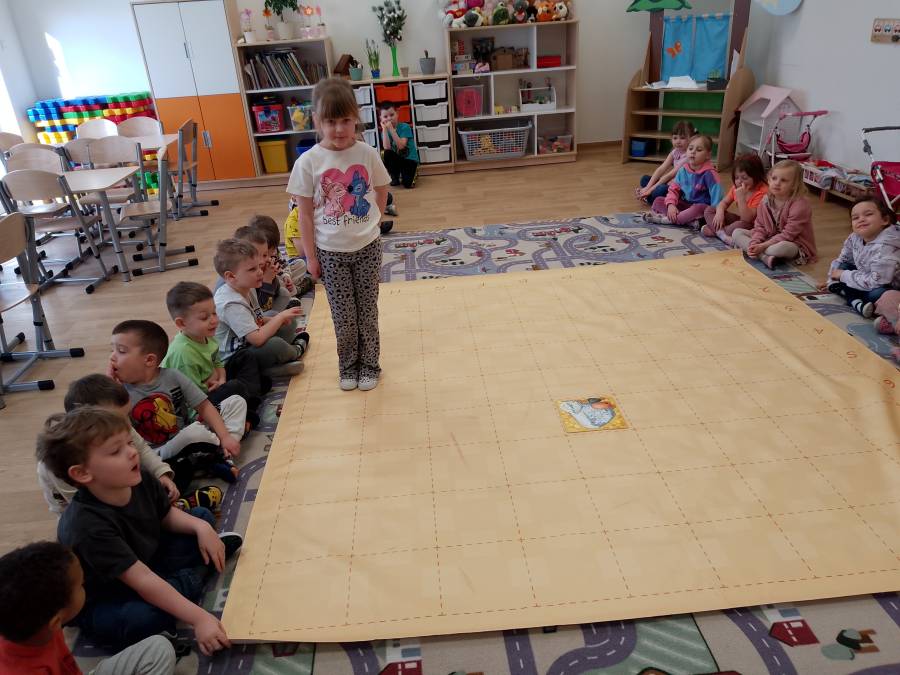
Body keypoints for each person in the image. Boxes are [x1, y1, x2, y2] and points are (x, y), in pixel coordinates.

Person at [37, 408, 241, 653]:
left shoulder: (138, 476)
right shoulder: (86, 526)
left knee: (201, 517)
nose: (132, 452)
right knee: (143, 619)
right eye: (116, 451)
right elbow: (142, 580)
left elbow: (165, 516)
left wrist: (201, 528)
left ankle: (185, 580)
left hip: (146, 558)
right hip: (111, 593)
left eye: (129, 443)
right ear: (82, 473)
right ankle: (190, 578)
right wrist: (200, 618)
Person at [288, 77, 390, 391]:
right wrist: (310, 257)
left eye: (345, 120)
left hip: (367, 248)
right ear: (317, 121)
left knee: (367, 311)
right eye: (330, 122)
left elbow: (382, 188)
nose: (339, 129)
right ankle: (348, 366)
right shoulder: (308, 163)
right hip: (330, 253)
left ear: (355, 118)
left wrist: (375, 221)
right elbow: (305, 215)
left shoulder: (367, 153)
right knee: (344, 315)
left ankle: (370, 365)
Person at [0, 541, 176, 674]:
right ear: (55, 622)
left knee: (159, 648)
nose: (85, 584)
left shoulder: (35, 622)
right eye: (81, 585)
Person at [109, 319, 244, 485]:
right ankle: (211, 457)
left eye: (121, 351)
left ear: (149, 360)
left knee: (236, 402)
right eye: (112, 350)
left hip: (185, 434)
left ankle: (224, 448)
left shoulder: (172, 376)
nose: (112, 357)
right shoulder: (119, 392)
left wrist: (225, 436)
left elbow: (204, 406)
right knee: (194, 436)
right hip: (156, 453)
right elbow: (114, 429)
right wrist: (111, 390)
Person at [37, 374, 181, 514]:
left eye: (127, 415)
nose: (128, 424)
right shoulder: (59, 458)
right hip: (72, 507)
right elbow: (77, 503)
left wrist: (160, 473)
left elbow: (142, 449)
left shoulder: (117, 425)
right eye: (120, 417)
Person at [161, 282, 267, 428]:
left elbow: (218, 363)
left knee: (245, 356)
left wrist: (221, 379)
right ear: (182, 323)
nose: (214, 320)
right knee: (237, 386)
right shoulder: (183, 354)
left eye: (214, 313)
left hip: (212, 384)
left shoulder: (206, 334)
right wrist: (218, 383)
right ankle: (245, 408)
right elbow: (192, 398)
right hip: (197, 408)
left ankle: (247, 401)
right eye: (204, 318)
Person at [213, 238, 308, 379]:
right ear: (231, 276)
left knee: (286, 321)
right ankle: (295, 351)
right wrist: (279, 318)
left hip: (249, 347)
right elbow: (257, 339)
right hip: (236, 362)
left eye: (258, 266)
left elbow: (257, 319)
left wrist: (278, 319)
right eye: (252, 269)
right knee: (275, 343)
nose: (260, 272)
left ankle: (270, 367)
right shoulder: (230, 304)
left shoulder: (247, 287)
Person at [817, 198, 900, 318]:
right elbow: (843, 260)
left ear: (885, 220)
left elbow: (876, 283)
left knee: (876, 294)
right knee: (843, 266)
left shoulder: (886, 246)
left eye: (868, 214)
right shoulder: (854, 237)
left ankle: (852, 298)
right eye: (855, 218)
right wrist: (831, 279)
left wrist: (844, 276)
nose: (861, 219)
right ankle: (855, 299)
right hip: (866, 276)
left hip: (887, 285)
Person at [732, 159, 818, 269]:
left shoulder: (800, 204)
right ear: (769, 180)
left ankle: (761, 253)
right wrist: (755, 243)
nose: (777, 183)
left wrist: (763, 245)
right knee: (737, 233)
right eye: (774, 178)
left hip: (793, 242)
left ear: (794, 185)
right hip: (769, 238)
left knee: (778, 248)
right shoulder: (765, 200)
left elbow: (788, 235)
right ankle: (764, 257)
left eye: (784, 180)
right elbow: (760, 227)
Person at [644, 134, 723, 227]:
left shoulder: (710, 174)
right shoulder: (682, 170)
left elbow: (717, 198)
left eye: (699, 150)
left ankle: (668, 220)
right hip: (685, 205)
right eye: (690, 149)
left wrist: (715, 213)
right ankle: (688, 221)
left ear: (708, 155)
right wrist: (671, 205)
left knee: (698, 208)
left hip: (701, 209)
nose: (693, 152)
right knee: (658, 201)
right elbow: (673, 190)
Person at [701, 153, 768, 244]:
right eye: (736, 178)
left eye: (744, 178)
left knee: (738, 226)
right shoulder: (736, 187)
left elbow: (747, 219)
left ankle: (717, 231)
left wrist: (741, 197)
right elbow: (724, 203)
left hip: (753, 226)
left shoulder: (762, 192)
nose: (740, 181)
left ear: (757, 176)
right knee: (710, 210)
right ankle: (722, 234)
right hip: (740, 220)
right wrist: (720, 213)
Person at [635, 120, 696, 205]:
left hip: (681, 190)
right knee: (645, 179)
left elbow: (669, 176)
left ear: (691, 139)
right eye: (675, 138)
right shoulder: (675, 152)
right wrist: (648, 187)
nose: (678, 141)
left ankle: (649, 198)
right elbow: (661, 169)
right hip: (671, 183)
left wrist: (649, 190)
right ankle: (648, 195)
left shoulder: (688, 157)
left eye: (682, 138)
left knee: (661, 189)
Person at [379, 101, 419, 189]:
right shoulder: (385, 131)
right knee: (385, 153)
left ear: (397, 114)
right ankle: (395, 176)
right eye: (385, 117)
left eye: (392, 115)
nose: (389, 118)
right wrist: (384, 129)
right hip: (398, 159)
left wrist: (391, 129)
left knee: (408, 184)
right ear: (381, 119)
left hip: (409, 160)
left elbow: (401, 146)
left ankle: (410, 173)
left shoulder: (405, 127)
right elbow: (387, 148)